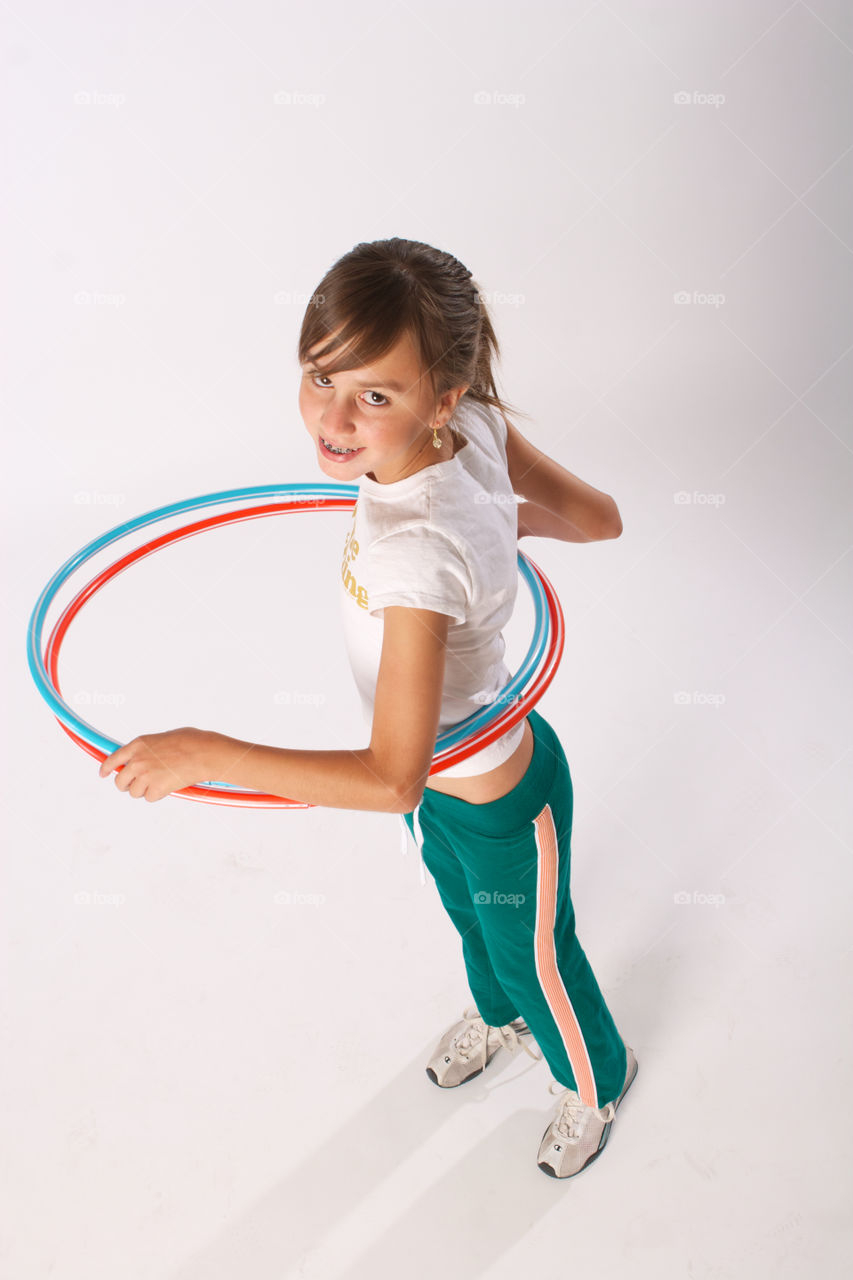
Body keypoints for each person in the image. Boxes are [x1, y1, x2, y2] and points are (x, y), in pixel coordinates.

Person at [98, 236, 637, 1179]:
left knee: (535, 952)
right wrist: (492, 531)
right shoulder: (475, 434)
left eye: (373, 396)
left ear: (441, 396)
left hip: (503, 805)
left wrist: (203, 750)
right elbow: (598, 518)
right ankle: (499, 1017)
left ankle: (595, 1081)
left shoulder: (414, 557)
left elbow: (392, 778)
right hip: (453, 796)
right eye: (320, 378)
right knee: (474, 925)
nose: (333, 419)